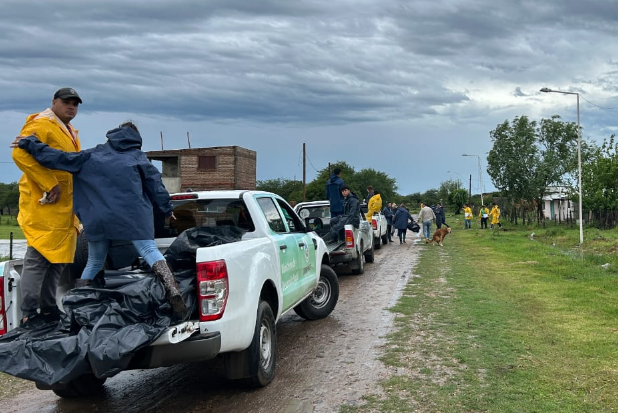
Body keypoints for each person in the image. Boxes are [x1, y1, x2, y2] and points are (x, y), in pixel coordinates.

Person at [13, 121, 187, 319]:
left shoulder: (91, 155)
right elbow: (155, 184)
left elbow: (58, 158)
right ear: (137, 139)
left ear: (111, 137)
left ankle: (79, 302)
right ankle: (172, 289)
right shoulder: (137, 157)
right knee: (148, 250)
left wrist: (31, 143)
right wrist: (166, 208)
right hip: (133, 216)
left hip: (98, 218)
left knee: (95, 260)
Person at [11, 87, 83, 328]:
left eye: (75, 104)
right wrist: (49, 183)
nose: (71, 107)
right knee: (39, 256)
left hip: (64, 207)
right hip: (45, 204)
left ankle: (49, 308)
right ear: (54, 102)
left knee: (58, 260)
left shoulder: (69, 130)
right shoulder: (42, 123)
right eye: (66, 102)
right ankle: (30, 312)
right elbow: (20, 156)